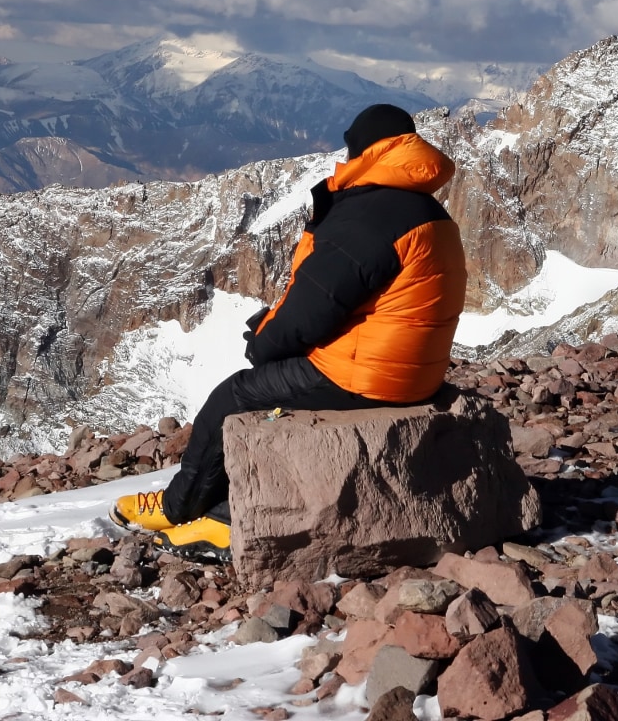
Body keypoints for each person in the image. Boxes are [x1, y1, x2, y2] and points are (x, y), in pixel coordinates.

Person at [110, 103, 468, 560]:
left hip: (369, 376)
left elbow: (312, 310)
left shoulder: (373, 214)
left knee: (235, 397)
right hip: (410, 370)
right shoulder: (420, 208)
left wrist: (264, 342)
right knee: (270, 392)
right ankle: (215, 505)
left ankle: (197, 512)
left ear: (364, 148)